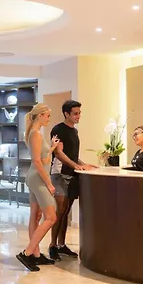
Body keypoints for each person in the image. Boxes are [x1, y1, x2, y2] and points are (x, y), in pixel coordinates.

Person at [49, 100, 95, 262]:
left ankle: (62, 245)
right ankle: (52, 245)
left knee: (66, 211)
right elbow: (59, 153)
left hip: (72, 175)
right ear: (66, 114)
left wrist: (83, 164)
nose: (78, 116)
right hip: (59, 175)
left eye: (79, 113)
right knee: (60, 210)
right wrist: (76, 165)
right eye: (75, 113)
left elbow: (72, 155)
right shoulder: (58, 129)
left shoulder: (74, 131)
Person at [16, 104, 60, 272]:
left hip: (35, 177)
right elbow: (36, 161)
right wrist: (49, 183)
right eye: (47, 116)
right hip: (38, 179)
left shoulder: (34, 133)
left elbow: (43, 159)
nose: (49, 119)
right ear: (40, 115)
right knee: (51, 217)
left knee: (36, 217)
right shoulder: (35, 134)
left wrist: (52, 147)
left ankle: (35, 255)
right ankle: (27, 253)